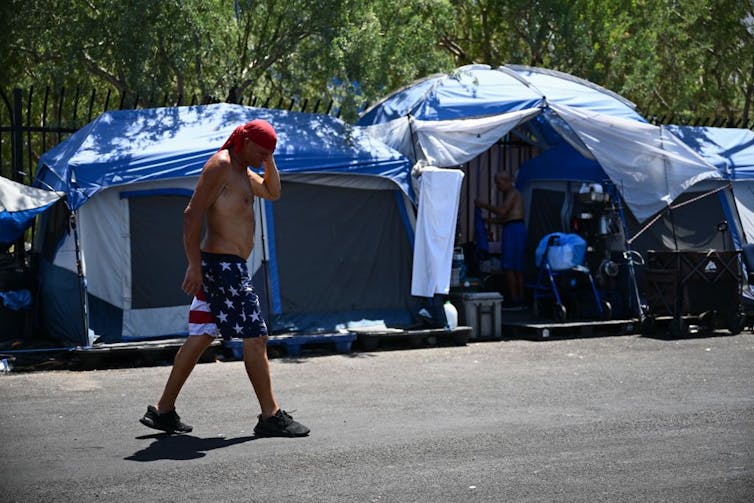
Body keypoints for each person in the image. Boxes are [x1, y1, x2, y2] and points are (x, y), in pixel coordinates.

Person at [139, 119, 310, 437]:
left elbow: (273, 192)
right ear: (243, 141)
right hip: (221, 268)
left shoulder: (244, 171)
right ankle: (270, 415)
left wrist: (268, 155)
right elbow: (191, 214)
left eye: (266, 155)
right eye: (259, 152)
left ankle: (162, 410)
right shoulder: (221, 165)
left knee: (201, 335)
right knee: (256, 336)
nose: (262, 160)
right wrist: (194, 265)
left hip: (230, 267)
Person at [475, 171, 527, 308]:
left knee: (510, 266)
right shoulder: (512, 194)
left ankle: (516, 299)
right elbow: (505, 217)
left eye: (499, 183)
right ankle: (519, 298)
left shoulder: (512, 193)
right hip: (515, 227)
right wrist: (488, 221)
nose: (498, 187)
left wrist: (483, 205)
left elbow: (503, 212)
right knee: (517, 267)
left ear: (506, 181)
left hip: (514, 231)